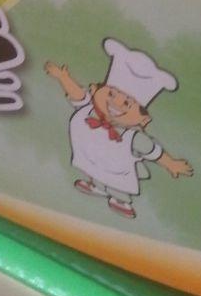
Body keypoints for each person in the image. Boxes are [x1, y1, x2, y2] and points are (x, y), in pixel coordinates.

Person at [45, 38, 192, 219]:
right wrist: (64, 78)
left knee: (117, 183)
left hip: (118, 169)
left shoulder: (134, 138)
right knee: (95, 170)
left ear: (143, 119)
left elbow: (153, 152)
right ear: (95, 90)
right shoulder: (88, 109)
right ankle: (96, 186)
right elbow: (77, 94)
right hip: (93, 157)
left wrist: (171, 164)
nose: (116, 102)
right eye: (111, 93)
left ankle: (121, 201)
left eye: (127, 103)